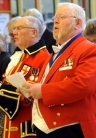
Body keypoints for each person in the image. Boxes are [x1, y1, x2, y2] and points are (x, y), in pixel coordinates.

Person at [23, 3, 96, 138]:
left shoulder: (88, 49)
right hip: (46, 127)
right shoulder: (56, 51)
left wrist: (42, 91)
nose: (55, 21)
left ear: (77, 23)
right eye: (55, 17)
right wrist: (31, 89)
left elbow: (84, 85)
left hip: (69, 128)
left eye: (61, 17)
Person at [0, 16, 50, 138]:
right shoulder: (20, 56)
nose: (14, 32)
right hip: (8, 125)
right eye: (14, 28)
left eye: (19, 28)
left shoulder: (43, 58)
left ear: (34, 32)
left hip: (25, 127)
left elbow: (28, 96)